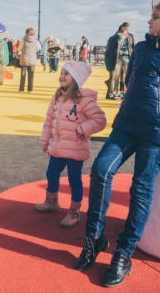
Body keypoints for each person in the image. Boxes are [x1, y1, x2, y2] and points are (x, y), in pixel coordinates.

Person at [75, 0, 160, 287]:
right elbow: (131, 79)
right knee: (100, 170)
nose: (149, 21)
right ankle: (94, 239)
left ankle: (124, 253)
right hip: (127, 123)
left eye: (155, 17)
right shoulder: (142, 48)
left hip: (155, 131)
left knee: (140, 189)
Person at [35, 61, 106, 227]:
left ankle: (74, 212)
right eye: (61, 72)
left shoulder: (84, 100)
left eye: (66, 73)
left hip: (75, 149)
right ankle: (52, 202)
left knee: (75, 180)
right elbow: (49, 121)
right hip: (58, 148)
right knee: (51, 173)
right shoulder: (57, 97)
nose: (61, 76)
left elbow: (100, 120)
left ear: (75, 78)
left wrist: (82, 129)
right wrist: (46, 141)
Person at [104, 22, 134, 100]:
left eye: (128, 28)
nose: (127, 30)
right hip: (117, 58)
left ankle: (117, 92)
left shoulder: (129, 36)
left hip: (123, 57)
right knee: (115, 76)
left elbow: (133, 46)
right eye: (126, 28)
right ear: (122, 28)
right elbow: (116, 50)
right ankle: (112, 92)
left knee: (122, 75)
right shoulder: (119, 36)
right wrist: (115, 62)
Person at [19, 28, 42, 92]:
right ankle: (30, 89)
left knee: (23, 75)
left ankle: (21, 89)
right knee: (31, 76)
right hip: (32, 60)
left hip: (24, 59)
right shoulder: (36, 41)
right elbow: (38, 49)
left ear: (26, 33)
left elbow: (19, 49)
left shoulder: (23, 40)